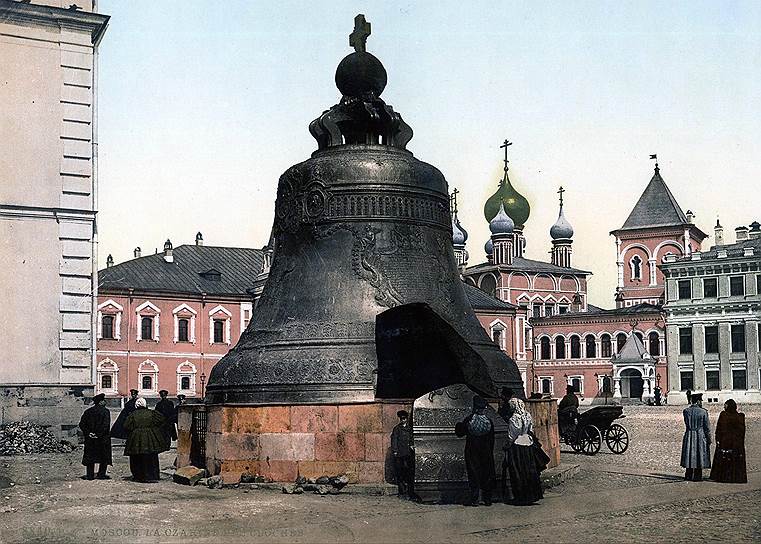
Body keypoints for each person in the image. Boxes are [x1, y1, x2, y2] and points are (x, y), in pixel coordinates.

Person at [456, 396, 495, 506]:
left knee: (474, 474)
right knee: (486, 474)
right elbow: (492, 439)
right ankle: (487, 499)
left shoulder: (469, 420)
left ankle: (475, 499)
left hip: (472, 451)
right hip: (486, 452)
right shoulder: (489, 421)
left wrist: (459, 425)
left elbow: (460, 433)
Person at [503, 398, 543, 505]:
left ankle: (521, 496)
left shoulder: (513, 419)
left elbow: (512, 436)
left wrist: (507, 446)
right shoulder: (527, 415)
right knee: (529, 470)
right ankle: (532, 495)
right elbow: (530, 429)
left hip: (517, 447)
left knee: (518, 471)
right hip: (528, 444)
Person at [124, 397, 168, 482]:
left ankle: (138, 476)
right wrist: (153, 428)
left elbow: (126, 425)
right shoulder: (152, 413)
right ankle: (152, 475)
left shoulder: (133, 414)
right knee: (151, 456)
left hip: (136, 437)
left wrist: (135, 429)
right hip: (150, 436)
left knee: (136, 456)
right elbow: (162, 420)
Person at [710, 399, 747, 483]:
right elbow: (742, 431)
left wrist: (718, 439)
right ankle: (735, 477)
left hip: (725, 441)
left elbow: (719, 428)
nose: (724, 407)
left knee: (725, 459)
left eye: (725, 405)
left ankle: (723, 477)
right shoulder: (740, 416)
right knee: (734, 460)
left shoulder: (723, 415)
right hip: (735, 443)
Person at [78, 393, 112, 480]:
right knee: (104, 456)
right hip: (102, 438)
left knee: (90, 456)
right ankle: (101, 474)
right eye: (104, 400)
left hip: (90, 439)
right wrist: (98, 434)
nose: (105, 402)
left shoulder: (88, 411)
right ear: (100, 402)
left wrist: (89, 433)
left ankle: (90, 475)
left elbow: (82, 424)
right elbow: (105, 425)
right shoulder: (106, 411)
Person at [680, 392, 711, 481]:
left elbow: (686, 422)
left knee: (689, 454)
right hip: (700, 434)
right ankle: (698, 476)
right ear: (697, 401)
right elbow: (707, 427)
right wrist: (709, 439)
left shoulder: (686, 411)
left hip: (689, 434)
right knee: (699, 453)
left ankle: (688, 475)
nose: (701, 402)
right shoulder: (703, 412)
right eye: (700, 401)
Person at [391, 410, 420, 501]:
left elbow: (412, 438)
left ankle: (410, 491)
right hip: (400, 454)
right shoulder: (397, 429)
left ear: (407, 419)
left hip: (408, 454)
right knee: (400, 473)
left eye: (404, 418)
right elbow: (394, 440)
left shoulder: (410, 429)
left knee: (409, 472)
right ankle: (402, 492)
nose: (403, 420)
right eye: (401, 419)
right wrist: (395, 450)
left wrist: (412, 445)